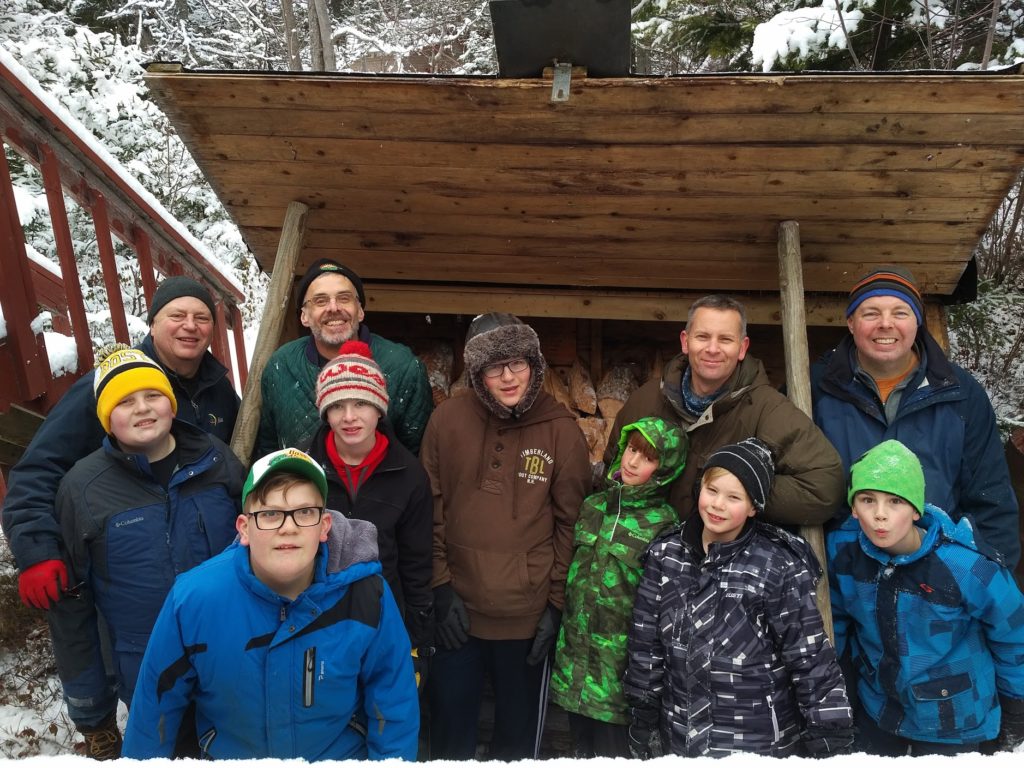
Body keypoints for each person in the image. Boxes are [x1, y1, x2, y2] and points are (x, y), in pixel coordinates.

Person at [122, 448, 420, 760]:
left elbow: (393, 704)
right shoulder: (194, 599)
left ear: (324, 526)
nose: (288, 527)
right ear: (244, 528)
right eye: (270, 514)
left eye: (304, 512)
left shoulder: (365, 594)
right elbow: (153, 710)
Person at [48, 345, 244, 759]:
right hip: (146, 672)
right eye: (124, 401)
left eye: (153, 395)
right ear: (106, 417)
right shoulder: (83, 488)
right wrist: (91, 710)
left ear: (171, 404)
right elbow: (74, 605)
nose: (142, 409)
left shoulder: (217, 461)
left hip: (231, 659)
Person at [3, 275, 240, 611]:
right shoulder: (111, 387)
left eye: (201, 318)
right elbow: (39, 467)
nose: (190, 326)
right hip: (128, 565)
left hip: (203, 567)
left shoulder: (219, 391)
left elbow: (234, 469)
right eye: (177, 316)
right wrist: (38, 550)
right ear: (153, 324)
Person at [421, 312, 590, 760]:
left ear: (535, 365)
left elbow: (570, 524)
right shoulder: (446, 420)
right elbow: (430, 507)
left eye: (519, 363)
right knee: (449, 740)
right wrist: (439, 588)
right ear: (477, 372)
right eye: (494, 367)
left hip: (527, 618)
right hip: (457, 611)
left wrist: (555, 606)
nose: (509, 376)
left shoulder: (563, 432)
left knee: (516, 747)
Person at [624, 438, 854, 758]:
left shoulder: (776, 565)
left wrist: (829, 734)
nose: (718, 505)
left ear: (753, 507)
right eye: (712, 491)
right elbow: (645, 644)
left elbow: (810, 658)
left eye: (734, 497)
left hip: (756, 745)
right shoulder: (667, 555)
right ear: (699, 488)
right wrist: (643, 712)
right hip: (680, 739)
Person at [812, 266, 1019, 569]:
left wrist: (989, 580)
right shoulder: (814, 388)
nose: (886, 324)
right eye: (871, 313)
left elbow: (990, 497)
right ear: (851, 323)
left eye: (900, 312)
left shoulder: (960, 393)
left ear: (917, 322)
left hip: (936, 574)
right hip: (840, 577)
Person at [828, 439, 1024, 755]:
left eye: (895, 501)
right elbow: (832, 618)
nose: (880, 515)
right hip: (879, 710)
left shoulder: (966, 566)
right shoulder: (842, 551)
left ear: (916, 508)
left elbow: (1015, 635)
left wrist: (1017, 706)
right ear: (853, 507)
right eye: (867, 499)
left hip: (956, 720)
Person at [606, 294, 844, 526]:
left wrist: (740, 491)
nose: (712, 348)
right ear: (685, 341)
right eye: (703, 336)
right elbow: (611, 468)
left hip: (724, 556)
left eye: (725, 339)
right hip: (642, 553)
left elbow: (824, 487)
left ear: (742, 347)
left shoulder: (766, 409)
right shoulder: (646, 400)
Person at [550, 416, 687, 758]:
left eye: (648, 457)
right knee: (576, 749)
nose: (632, 460)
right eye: (631, 448)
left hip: (618, 678)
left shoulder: (664, 524)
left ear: (664, 469)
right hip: (573, 668)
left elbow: (665, 608)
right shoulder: (593, 507)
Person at [305, 339, 433, 656]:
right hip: (316, 619)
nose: (349, 417)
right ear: (325, 412)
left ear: (378, 408)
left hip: (383, 617)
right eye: (336, 405)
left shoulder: (409, 474)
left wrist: (416, 639)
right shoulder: (303, 469)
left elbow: (416, 563)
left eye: (360, 403)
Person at [254, 259, 433, 458]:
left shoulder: (403, 366)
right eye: (320, 301)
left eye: (344, 298)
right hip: (301, 486)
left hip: (378, 487)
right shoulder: (281, 366)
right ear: (304, 316)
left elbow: (418, 454)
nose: (333, 307)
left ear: (361, 310)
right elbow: (267, 448)